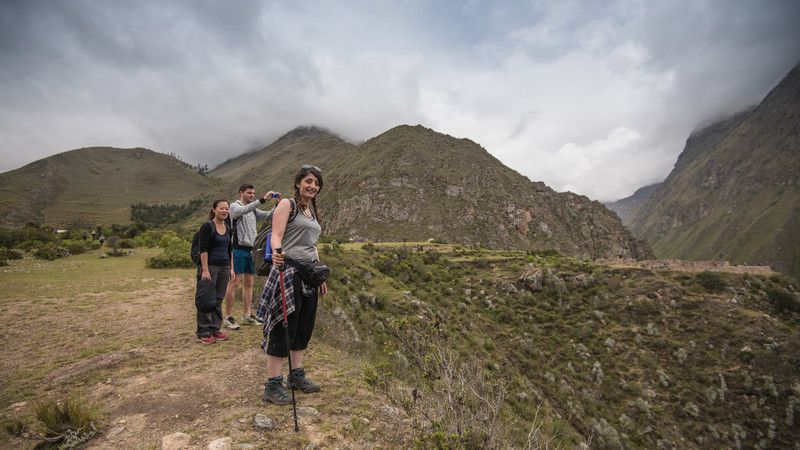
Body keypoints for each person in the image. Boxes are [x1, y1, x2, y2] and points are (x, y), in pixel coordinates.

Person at [257, 165, 328, 405]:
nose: (313, 186)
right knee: (283, 326)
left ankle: (296, 376)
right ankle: (273, 385)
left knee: (303, 326)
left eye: (316, 183)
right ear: (298, 183)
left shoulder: (311, 212)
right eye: (308, 181)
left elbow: (312, 246)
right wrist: (277, 252)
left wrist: (320, 274)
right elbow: (276, 235)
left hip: (309, 274)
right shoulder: (288, 204)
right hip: (288, 271)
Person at [223, 184, 281, 330]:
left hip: (251, 250)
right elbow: (244, 210)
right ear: (241, 193)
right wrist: (263, 199)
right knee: (234, 282)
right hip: (237, 249)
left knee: (249, 283)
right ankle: (228, 317)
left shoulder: (253, 209)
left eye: (253, 193)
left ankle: (247, 316)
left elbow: (269, 215)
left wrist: (278, 204)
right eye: (249, 193)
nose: (252, 195)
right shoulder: (235, 207)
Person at [196, 199, 234, 344]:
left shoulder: (228, 228)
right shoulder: (207, 226)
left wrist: (231, 268)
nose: (224, 211)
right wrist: (205, 270)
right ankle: (204, 332)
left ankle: (215, 329)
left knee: (218, 299)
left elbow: (230, 251)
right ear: (214, 210)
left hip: (224, 267)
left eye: (227, 208)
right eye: (221, 208)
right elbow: (203, 249)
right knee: (207, 299)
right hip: (210, 266)